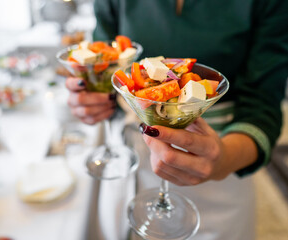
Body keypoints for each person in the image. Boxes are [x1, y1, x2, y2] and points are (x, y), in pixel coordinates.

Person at [65, 0, 288, 239]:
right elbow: (110, 69)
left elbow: (264, 100)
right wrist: (93, 99)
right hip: (135, 151)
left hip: (223, 153)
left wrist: (222, 159)